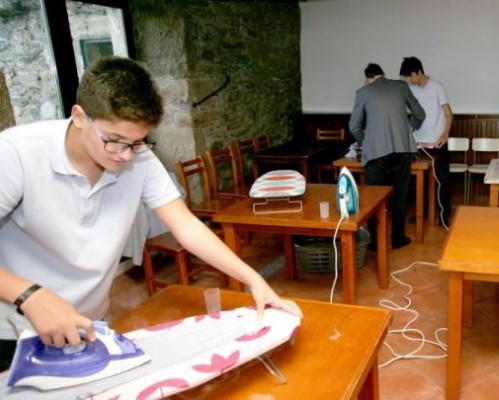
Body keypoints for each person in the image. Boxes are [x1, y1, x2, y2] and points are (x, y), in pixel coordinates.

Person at [0, 57, 302, 371]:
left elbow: (187, 227)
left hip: (86, 324)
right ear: (79, 116)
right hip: (11, 330)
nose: (126, 155)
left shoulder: (138, 158)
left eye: (138, 142)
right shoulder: (16, 154)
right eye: (114, 141)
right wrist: (30, 296)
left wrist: (253, 280)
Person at [349, 63, 426, 249]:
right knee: (400, 194)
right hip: (402, 148)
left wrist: (366, 140)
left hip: (375, 151)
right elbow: (420, 114)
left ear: (368, 78)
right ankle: (398, 238)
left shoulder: (363, 92)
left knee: (374, 196)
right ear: (383, 73)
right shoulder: (401, 86)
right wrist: (409, 129)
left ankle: (375, 243)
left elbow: (354, 127)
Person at [399, 56, 454, 225]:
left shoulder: (437, 87)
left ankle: (444, 216)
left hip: (437, 143)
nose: (409, 80)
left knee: (441, 181)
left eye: (410, 76)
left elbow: (448, 114)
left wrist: (445, 134)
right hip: (418, 143)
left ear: (418, 72)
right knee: (420, 183)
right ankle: (421, 215)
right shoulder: (411, 89)